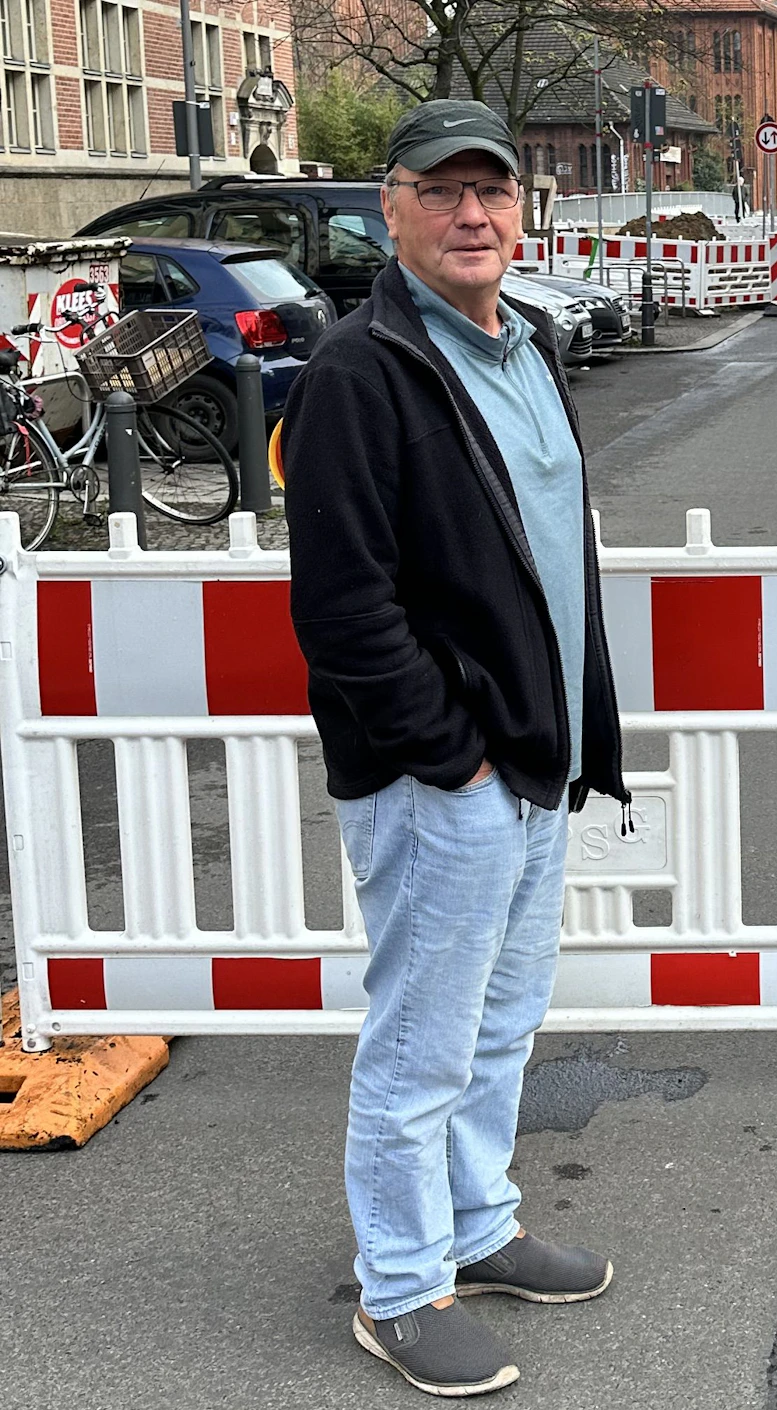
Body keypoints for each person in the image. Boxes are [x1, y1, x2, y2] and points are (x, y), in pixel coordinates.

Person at [283, 99, 629, 1398]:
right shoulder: (357, 375)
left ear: (520, 204)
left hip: (536, 758)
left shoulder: (530, 342)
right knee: (424, 1040)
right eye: (442, 191)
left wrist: (562, 737)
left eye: (491, 188)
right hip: (446, 777)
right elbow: (343, 609)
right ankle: (400, 1284)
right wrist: (454, 754)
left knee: (500, 1025)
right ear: (394, 208)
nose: (472, 213)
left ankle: (479, 1224)